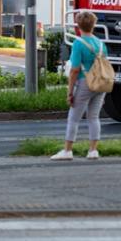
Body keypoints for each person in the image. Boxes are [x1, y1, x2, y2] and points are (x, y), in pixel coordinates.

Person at [51, 11, 108, 161]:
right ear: (94, 25)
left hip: (84, 82)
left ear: (78, 26)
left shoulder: (78, 43)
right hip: (100, 83)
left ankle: (68, 150)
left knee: (74, 118)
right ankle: (93, 150)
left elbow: (74, 70)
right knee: (94, 117)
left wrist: (70, 92)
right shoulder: (101, 44)